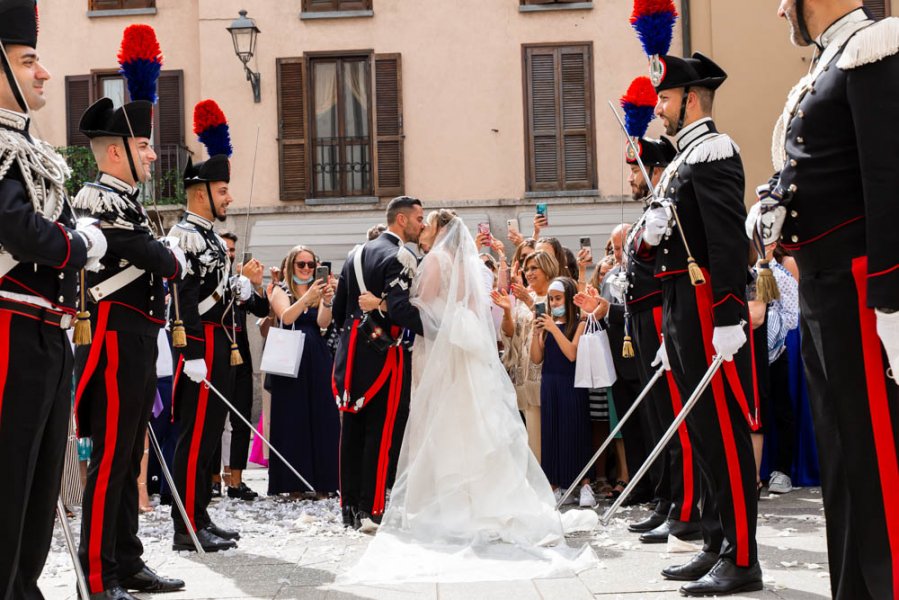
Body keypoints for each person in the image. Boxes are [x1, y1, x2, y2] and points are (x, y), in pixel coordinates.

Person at [339, 213, 598, 584]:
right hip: (464, 343)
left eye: (427, 225)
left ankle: (448, 502)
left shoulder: (435, 262)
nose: (423, 230)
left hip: (440, 346)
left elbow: (420, 308)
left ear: (440, 230)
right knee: (468, 419)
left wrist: (382, 306)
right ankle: (477, 497)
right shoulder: (469, 265)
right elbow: (474, 312)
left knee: (440, 419)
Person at [749, 3, 899, 597]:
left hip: (859, 288)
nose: (784, 8)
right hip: (820, 289)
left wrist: (891, 301)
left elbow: (888, 181)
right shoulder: (828, 63)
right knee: (840, 461)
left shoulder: (874, 47)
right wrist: (772, 206)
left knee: (875, 461)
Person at [640, 52, 761, 595]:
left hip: (707, 304)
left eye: (665, 99)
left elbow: (726, 241)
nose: (659, 109)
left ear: (690, 99)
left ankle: (743, 558)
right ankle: (716, 541)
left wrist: (730, 312)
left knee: (724, 432)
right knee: (701, 430)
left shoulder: (713, 152)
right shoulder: (681, 163)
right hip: (680, 310)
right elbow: (658, 254)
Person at [0, 3, 108, 597]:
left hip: (46, 335)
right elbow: (13, 228)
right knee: (10, 480)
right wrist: (75, 243)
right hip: (10, 331)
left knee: (39, 490)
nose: (42, 73)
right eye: (27, 60)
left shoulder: (30, 148)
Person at [73, 46, 189, 594]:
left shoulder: (127, 202)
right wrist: (164, 253)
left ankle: (126, 558)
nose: (151, 156)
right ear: (114, 151)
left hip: (138, 336)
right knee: (112, 461)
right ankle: (97, 574)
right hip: (116, 334)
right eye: (142, 146)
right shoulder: (98, 197)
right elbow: (158, 259)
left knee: (128, 455)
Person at [168, 100, 262, 552]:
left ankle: (200, 513)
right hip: (201, 343)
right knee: (195, 435)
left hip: (222, 341)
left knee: (210, 436)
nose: (228, 198)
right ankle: (186, 526)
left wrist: (239, 286)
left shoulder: (207, 234)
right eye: (223, 190)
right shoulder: (184, 234)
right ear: (202, 190)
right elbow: (182, 298)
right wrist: (190, 355)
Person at [332, 196, 425, 532]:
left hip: (352, 353)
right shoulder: (400, 255)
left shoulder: (354, 253)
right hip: (386, 354)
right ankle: (373, 509)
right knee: (381, 433)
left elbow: (341, 311)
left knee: (351, 432)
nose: (421, 224)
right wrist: (437, 324)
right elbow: (400, 310)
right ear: (400, 220)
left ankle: (348, 507)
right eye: (418, 218)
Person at [267, 245, 339, 497]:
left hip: (317, 356)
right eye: (301, 264)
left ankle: (324, 482)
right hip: (290, 356)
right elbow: (285, 317)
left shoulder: (319, 292)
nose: (307, 269)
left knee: (323, 415)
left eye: (311, 264)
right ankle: (293, 483)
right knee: (292, 418)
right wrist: (306, 298)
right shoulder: (281, 289)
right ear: (291, 266)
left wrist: (327, 300)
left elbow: (322, 323)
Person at [215, 231, 269, 501]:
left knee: (241, 418)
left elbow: (261, 310)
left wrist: (256, 286)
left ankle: (236, 480)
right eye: (225, 248)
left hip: (242, 356)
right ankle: (213, 479)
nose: (231, 253)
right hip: (215, 354)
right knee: (214, 420)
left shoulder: (241, 281)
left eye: (233, 249)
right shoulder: (210, 279)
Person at [530, 277, 592, 506]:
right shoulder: (546, 325)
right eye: (551, 299)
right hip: (550, 383)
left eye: (558, 298)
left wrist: (554, 330)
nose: (554, 303)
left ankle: (584, 483)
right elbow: (536, 358)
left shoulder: (579, 323)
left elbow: (572, 353)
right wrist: (536, 333)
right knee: (552, 432)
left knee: (575, 429)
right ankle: (555, 484)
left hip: (572, 383)